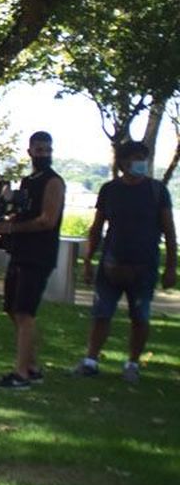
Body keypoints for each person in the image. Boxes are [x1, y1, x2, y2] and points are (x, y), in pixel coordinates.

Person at [74, 140, 178, 383]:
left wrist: (171, 267)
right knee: (101, 314)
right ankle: (90, 360)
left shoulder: (157, 191)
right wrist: (88, 260)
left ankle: (132, 363)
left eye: (144, 157)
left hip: (144, 266)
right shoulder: (109, 190)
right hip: (111, 265)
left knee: (140, 317)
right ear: (123, 162)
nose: (141, 162)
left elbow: (170, 231)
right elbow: (97, 227)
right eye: (135, 157)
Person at [0, 131, 64, 389]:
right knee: (12, 308)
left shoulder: (54, 182)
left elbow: (47, 220)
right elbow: (20, 213)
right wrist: (1, 224)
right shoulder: (28, 181)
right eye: (39, 149)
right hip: (20, 253)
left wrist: (13, 229)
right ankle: (32, 366)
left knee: (24, 311)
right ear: (29, 151)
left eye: (47, 149)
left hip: (38, 255)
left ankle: (21, 375)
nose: (43, 153)